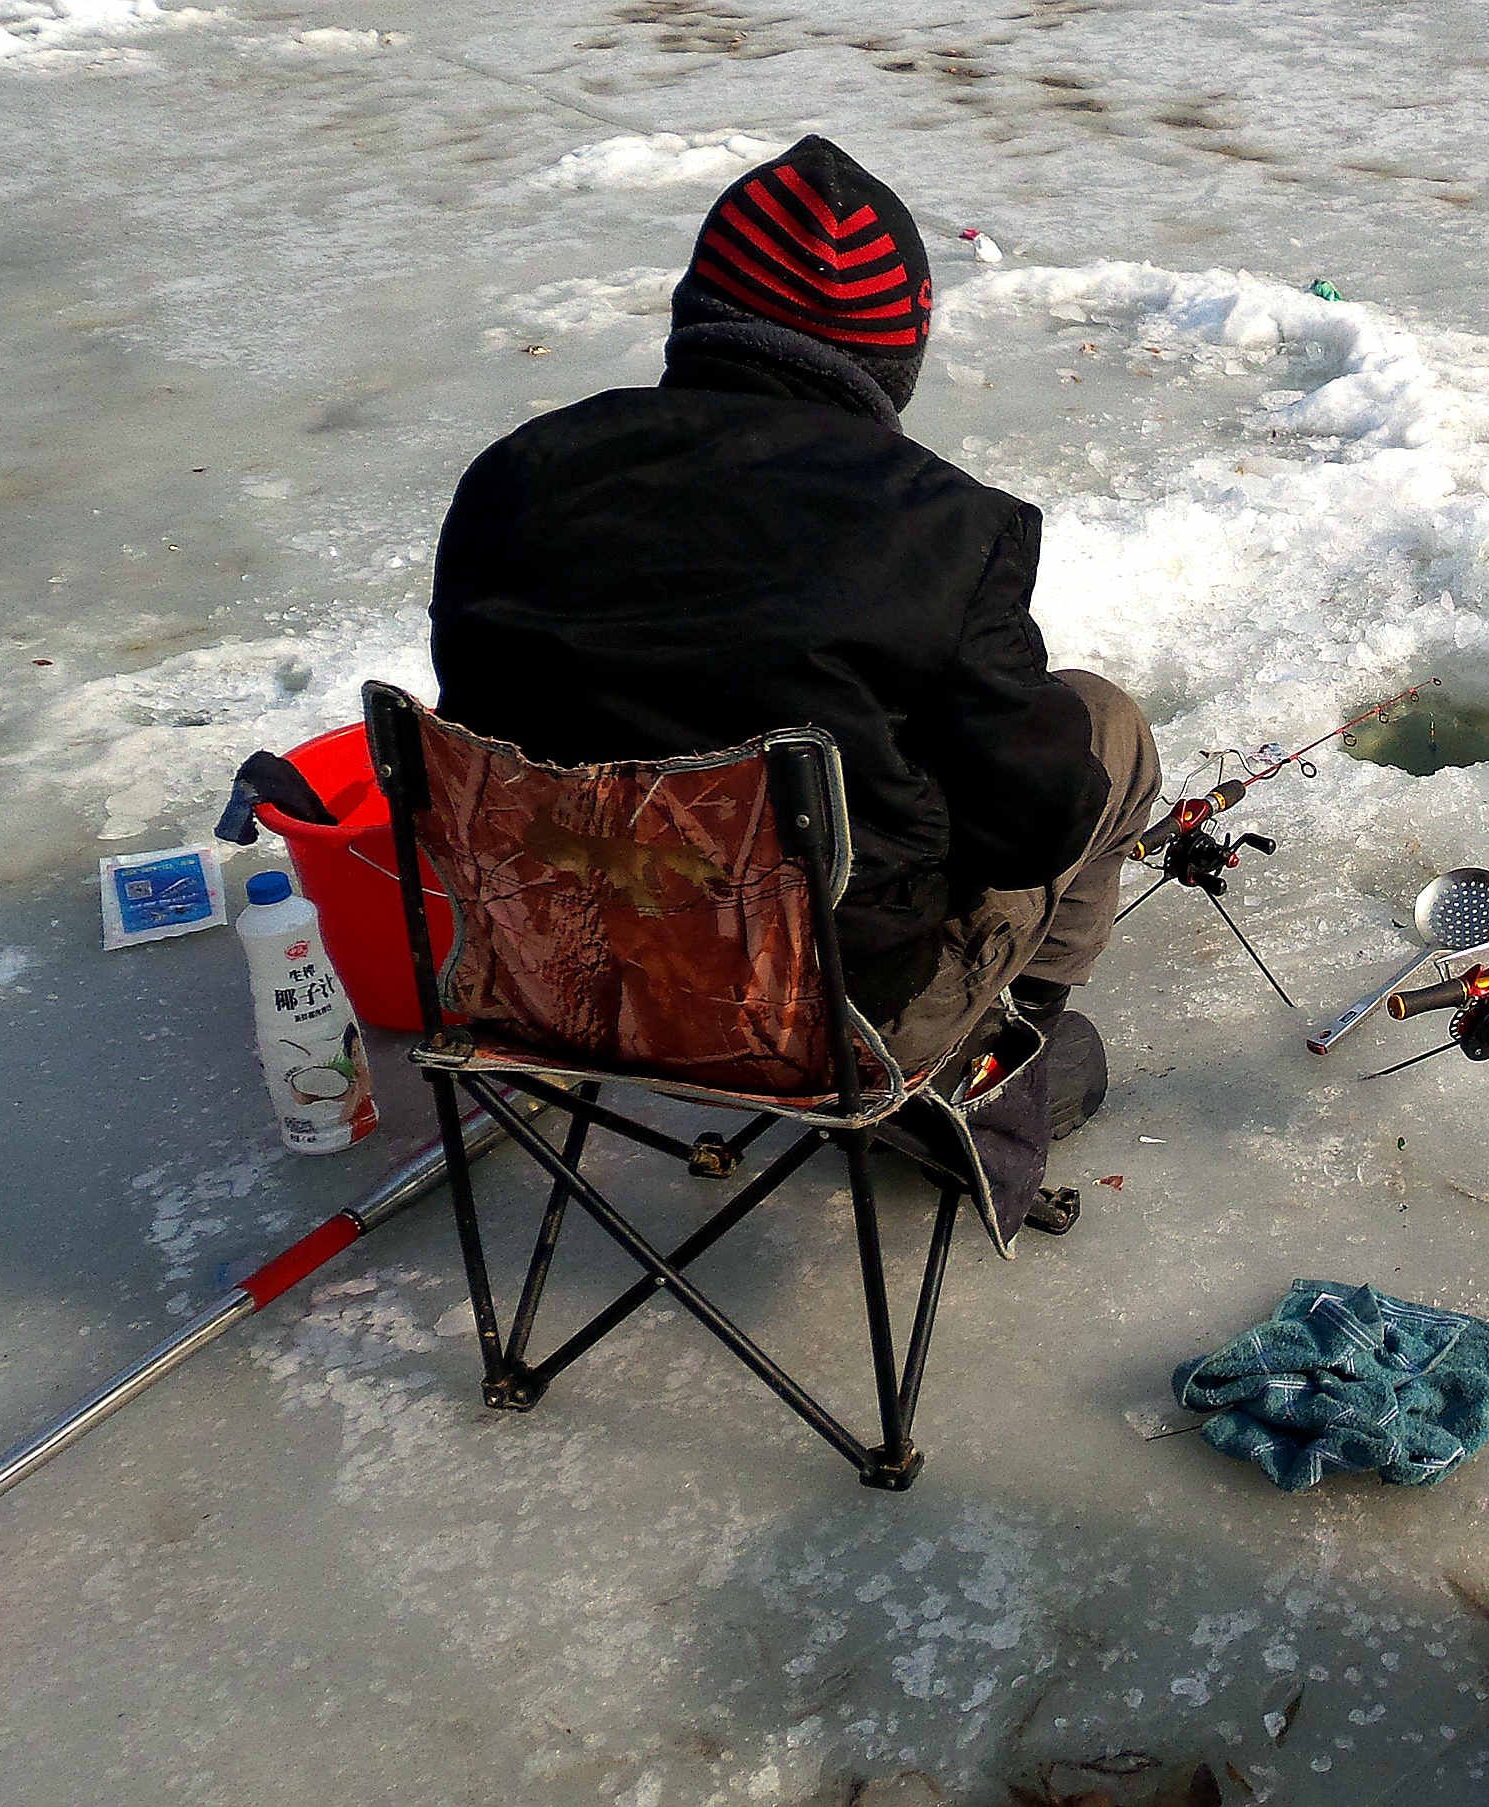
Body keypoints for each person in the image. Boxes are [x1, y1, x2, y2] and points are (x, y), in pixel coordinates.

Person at [428, 136, 1159, 1098]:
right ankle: (986, 1061)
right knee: (1105, 723)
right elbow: (1033, 830)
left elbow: (483, 719)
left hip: (546, 976)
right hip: (824, 1023)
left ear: (700, 309)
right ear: (895, 351)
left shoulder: (513, 476)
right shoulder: (941, 529)